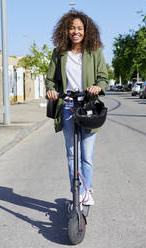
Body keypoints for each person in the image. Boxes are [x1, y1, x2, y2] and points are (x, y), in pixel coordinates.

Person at [45, 10, 108, 206]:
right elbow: (50, 79)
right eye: (72, 28)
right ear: (66, 30)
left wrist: (98, 87)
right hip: (67, 106)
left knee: (86, 155)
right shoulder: (59, 53)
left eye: (79, 28)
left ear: (86, 30)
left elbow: (103, 78)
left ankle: (87, 190)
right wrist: (51, 91)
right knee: (72, 154)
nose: (76, 31)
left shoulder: (94, 50)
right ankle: (76, 194)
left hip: (87, 105)